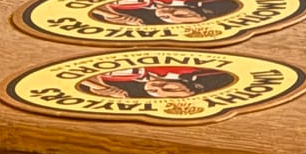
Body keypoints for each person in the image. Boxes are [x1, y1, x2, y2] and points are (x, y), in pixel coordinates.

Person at [78, 66, 235, 100]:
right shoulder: (182, 68)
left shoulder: (123, 80)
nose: (158, 90)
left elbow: (81, 71)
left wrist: (98, 88)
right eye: (171, 90)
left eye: (159, 95)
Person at [88, 0, 240, 28]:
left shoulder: (131, 8)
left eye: (167, 18)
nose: (170, 14)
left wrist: (111, 15)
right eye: (181, 15)